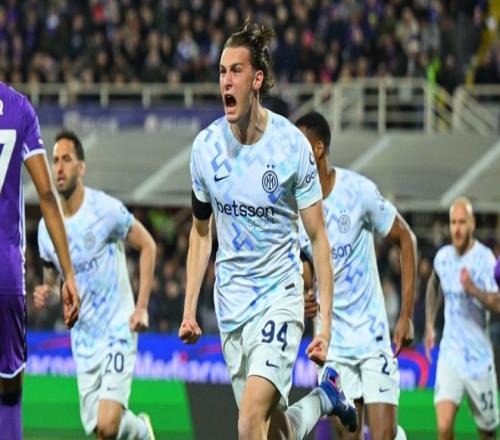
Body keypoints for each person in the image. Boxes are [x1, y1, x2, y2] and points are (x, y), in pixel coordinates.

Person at [178, 22, 357, 440]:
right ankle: (325, 399)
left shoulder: (292, 147)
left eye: (236, 71)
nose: (226, 80)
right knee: (273, 432)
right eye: (222, 71)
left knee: (247, 423)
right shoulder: (205, 150)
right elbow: (201, 233)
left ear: (256, 80)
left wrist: (324, 327)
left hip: (279, 296)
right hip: (231, 306)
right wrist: (189, 308)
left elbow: (319, 239)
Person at [296, 111, 416, 440]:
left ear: (318, 149)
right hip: (332, 343)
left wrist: (406, 316)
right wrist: (304, 296)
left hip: (371, 335)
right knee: (348, 435)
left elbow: (406, 239)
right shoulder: (296, 209)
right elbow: (304, 267)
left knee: (382, 435)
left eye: (299, 145)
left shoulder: (357, 192)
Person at [34, 130, 156, 440]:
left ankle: (141, 432)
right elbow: (54, 280)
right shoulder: (46, 230)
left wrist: (141, 307)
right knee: (101, 431)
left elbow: (148, 245)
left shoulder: (105, 210)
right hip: (84, 341)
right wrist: (47, 292)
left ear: (81, 167)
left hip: (117, 328)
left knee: (107, 425)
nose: (59, 168)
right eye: (55, 161)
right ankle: (140, 431)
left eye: (66, 160)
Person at [0, 83, 80, 440]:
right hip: (5, 273)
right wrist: (69, 275)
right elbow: (47, 195)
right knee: (10, 386)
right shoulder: (18, 108)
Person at [425, 197, 499, 440]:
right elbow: (434, 283)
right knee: (444, 427)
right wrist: (429, 324)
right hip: (451, 354)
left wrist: (473, 289)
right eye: (453, 222)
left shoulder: (485, 259)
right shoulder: (443, 257)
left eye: (462, 222)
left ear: (472, 224)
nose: (456, 229)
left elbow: (498, 303)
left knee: (487, 433)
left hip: (479, 359)